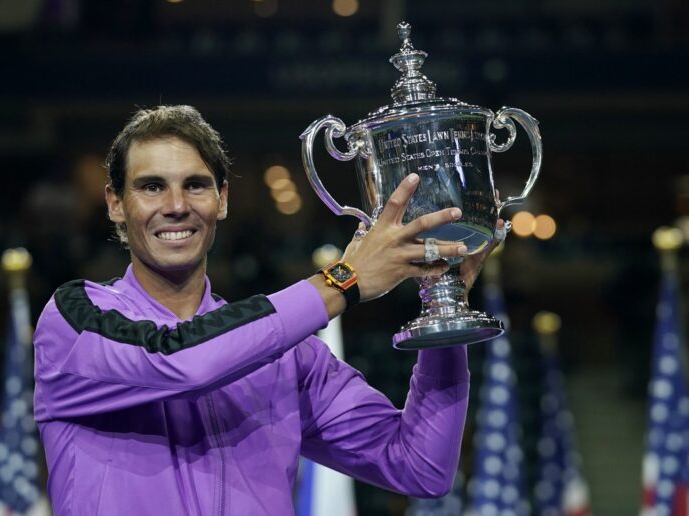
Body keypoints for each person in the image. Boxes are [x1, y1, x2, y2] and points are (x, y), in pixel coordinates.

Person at [33, 105, 502, 515]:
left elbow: (421, 468)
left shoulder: (284, 354)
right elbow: (182, 361)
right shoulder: (72, 321)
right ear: (116, 203)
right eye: (151, 187)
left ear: (222, 200)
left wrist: (446, 309)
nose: (176, 206)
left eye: (195, 185)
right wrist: (344, 280)